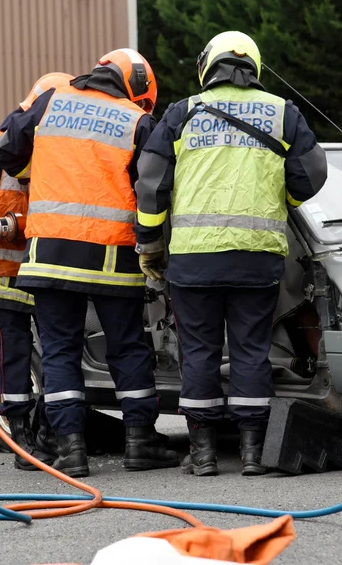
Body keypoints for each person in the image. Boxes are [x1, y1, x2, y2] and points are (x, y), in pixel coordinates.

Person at [133, 31, 327, 476]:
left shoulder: (182, 114)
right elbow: (313, 172)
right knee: (251, 351)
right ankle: (253, 454)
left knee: (199, 352)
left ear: (207, 65)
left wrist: (151, 246)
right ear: (254, 67)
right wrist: (286, 199)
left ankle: (201, 455)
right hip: (257, 259)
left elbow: (150, 183)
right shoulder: (283, 112)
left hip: (193, 261)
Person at [0, 48, 180, 478]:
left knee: (60, 351)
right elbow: (152, 188)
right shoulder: (137, 121)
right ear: (134, 87)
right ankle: (140, 443)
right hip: (113, 258)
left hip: (50, 258)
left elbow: (6, 152)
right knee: (129, 348)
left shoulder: (51, 101)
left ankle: (70, 451)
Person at [0, 72, 74, 470]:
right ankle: (20, 430)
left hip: (43, 267)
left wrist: (8, 224)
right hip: (4, 273)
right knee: (17, 351)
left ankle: (50, 430)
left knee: (57, 351)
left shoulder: (58, 154)